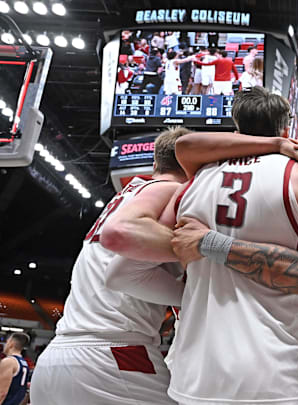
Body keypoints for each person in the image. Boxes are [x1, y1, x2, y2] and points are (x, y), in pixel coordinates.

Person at [167, 86, 298, 404]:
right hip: (273, 373)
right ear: (287, 127)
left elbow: (185, 145)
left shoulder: (197, 178)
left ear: (235, 126)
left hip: (194, 374)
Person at [29, 128, 191, 405]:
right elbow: (123, 275)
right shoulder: (173, 193)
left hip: (56, 359)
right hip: (113, 356)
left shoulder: (128, 198)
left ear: (155, 163)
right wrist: (198, 295)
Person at [0, 333, 30, 405]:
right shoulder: (24, 363)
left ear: (11, 343)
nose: (5, 345)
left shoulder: (9, 361)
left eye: (7, 342)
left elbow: (2, 392)